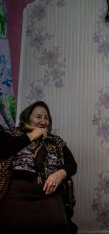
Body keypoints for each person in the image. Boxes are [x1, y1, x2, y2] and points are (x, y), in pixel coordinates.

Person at [0, 100, 78, 234]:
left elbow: (72, 165)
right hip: (17, 192)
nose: (43, 121)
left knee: (58, 225)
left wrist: (59, 174)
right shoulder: (13, 134)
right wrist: (31, 135)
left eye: (46, 118)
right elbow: (3, 150)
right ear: (27, 118)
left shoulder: (56, 141)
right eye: (38, 117)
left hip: (48, 193)